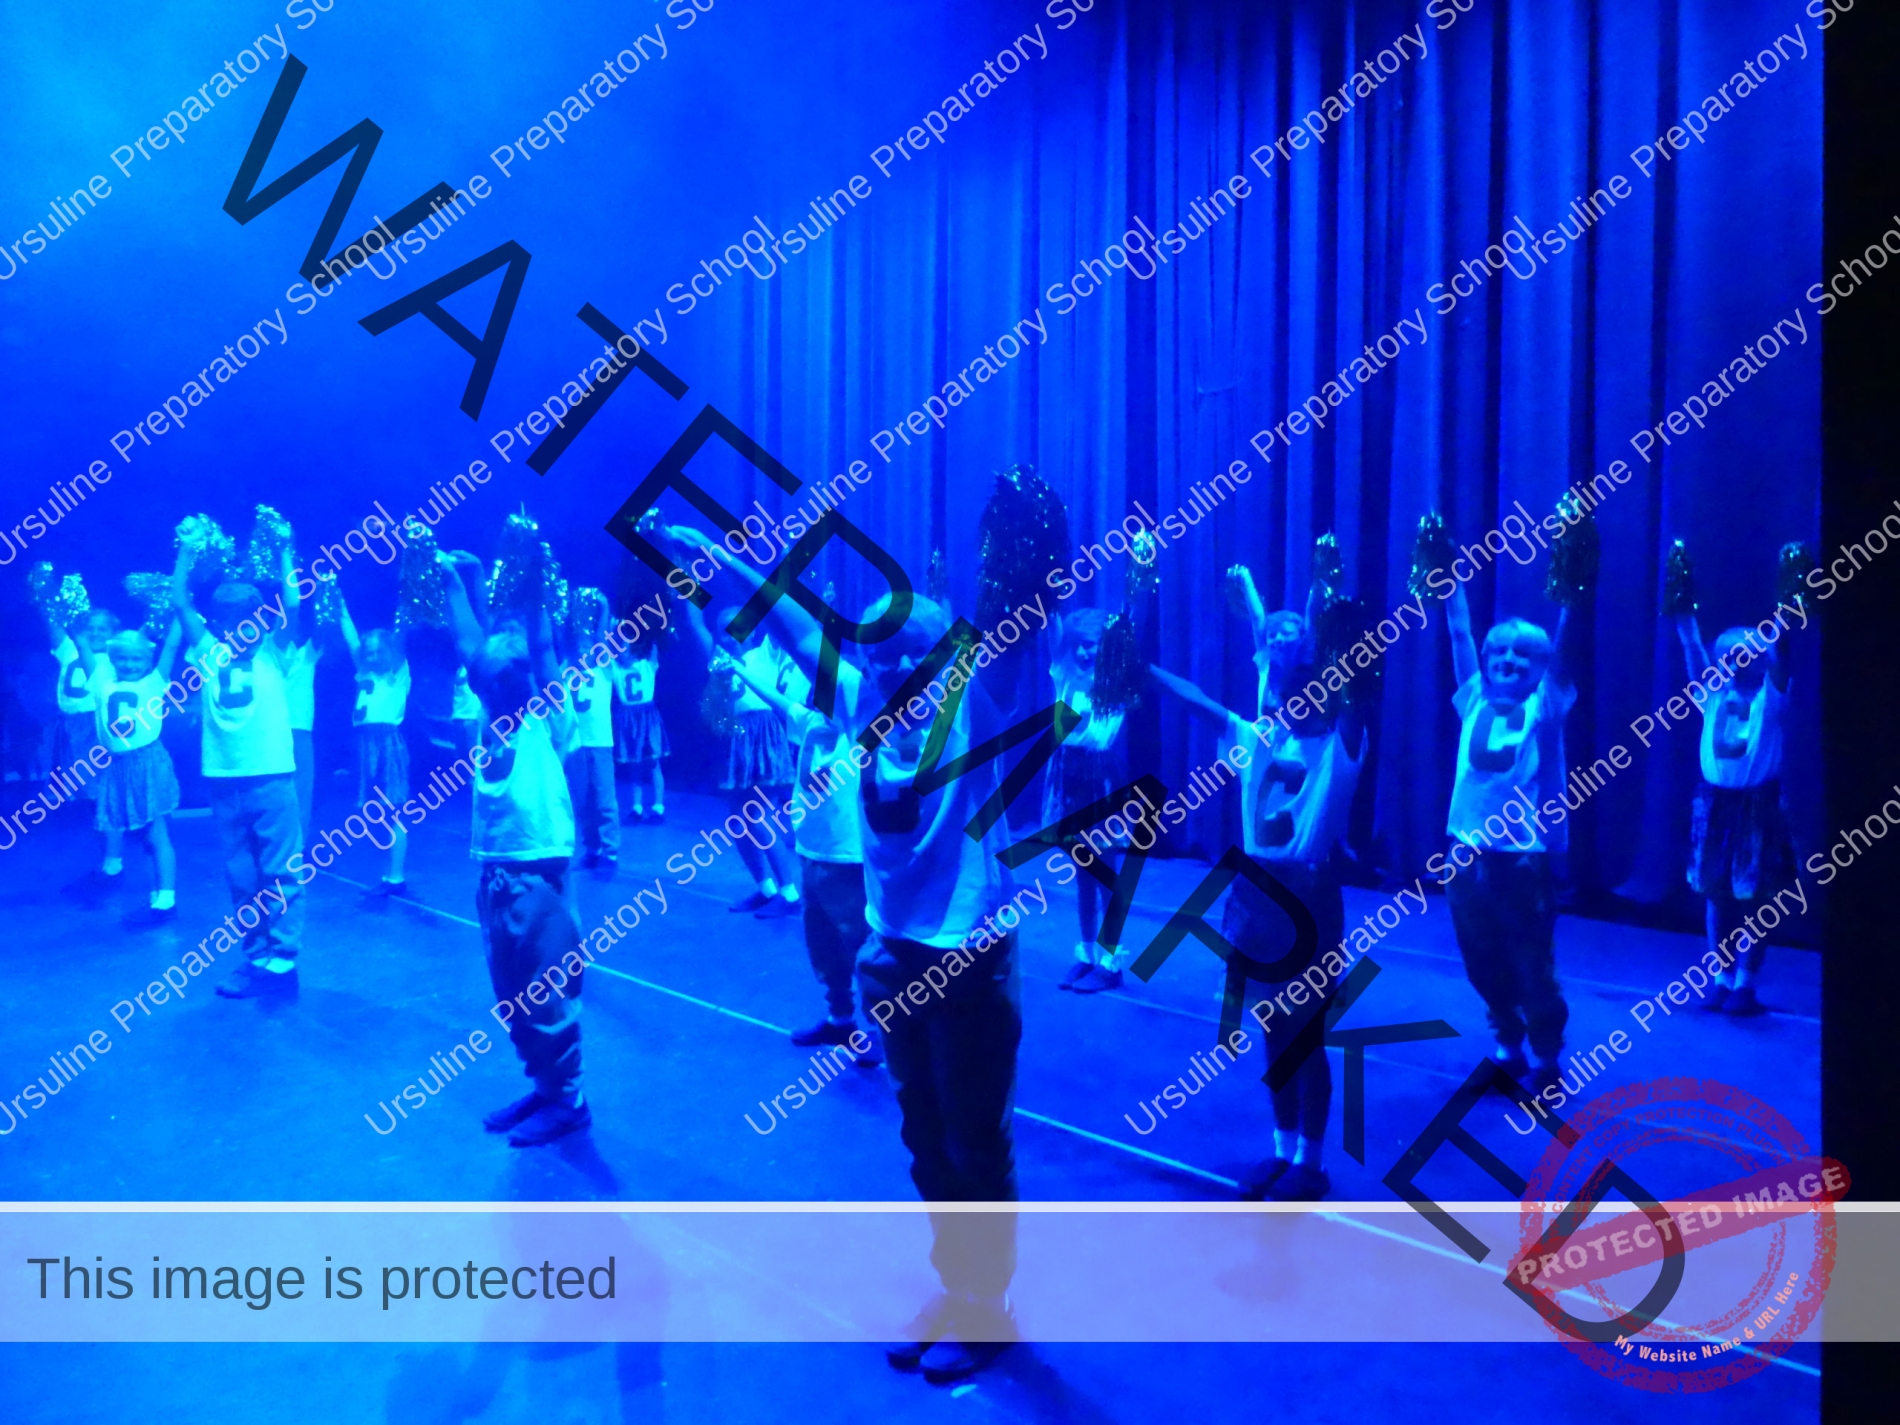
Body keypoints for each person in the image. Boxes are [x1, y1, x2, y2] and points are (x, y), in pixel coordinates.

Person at [657, 525, 1025, 1384]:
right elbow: (791, 625)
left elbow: (1006, 636)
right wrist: (721, 558)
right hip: (892, 954)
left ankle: (989, 1306)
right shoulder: (863, 703)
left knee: (975, 1137)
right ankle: (958, 1285)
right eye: (879, 656)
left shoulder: (972, 709)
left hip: (968, 955)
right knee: (925, 1134)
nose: (891, 669)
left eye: (909, 655)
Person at [1150, 618, 1368, 1202]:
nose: (1299, 705)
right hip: (1255, 897)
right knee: (1272, 1028)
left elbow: (1356, 697)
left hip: (1308, 896)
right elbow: (1197, 703)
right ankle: (1282, 1147)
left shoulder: (1341, 749)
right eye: (1290, 696)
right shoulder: (1258, 737)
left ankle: (1312, 1162)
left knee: (1307, 1034)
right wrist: (1142, 668)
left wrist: (1340, 631)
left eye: (1314, 695)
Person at [439, 549, 591, 1148]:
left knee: (547, 992)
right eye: (492, 678)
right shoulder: (487, 718)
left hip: (538, 881)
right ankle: (546, 1086)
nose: (499, 683)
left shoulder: (545, 718)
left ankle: (570, 1100)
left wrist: (532, 583)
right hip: (495, 879)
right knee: (511, 996)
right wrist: (457, 580)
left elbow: (543, 649)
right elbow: (469, 644)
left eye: (510, 675)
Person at [1441, 582, 1576, 1093]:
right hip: (1465, 853)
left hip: (1519, 857)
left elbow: (1564, 651)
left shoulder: (1546, 705)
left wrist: (1573, 592)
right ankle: (1508, 1047)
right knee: (1480, 956)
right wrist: (1449, 581)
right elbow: (1459, 633)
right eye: (1499, 651)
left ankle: (1546, 1056)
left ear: (1542, 667)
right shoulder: (1473, 695)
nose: (1509, 660)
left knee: (1530, 961)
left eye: (1524, 654)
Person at [721, 646, 878, 1061]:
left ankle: (880, 1029)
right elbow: (773, 697)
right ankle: (840, 1020)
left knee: (861, 946)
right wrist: (738, 667)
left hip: (848, 860)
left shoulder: (863, 731)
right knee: (823, 945)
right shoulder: (808, 723)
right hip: (810, 855)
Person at [169, 544, 305, 1000]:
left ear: (262, 619)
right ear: (219, 623)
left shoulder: (274, 653)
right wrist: (187, 551)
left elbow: (293, 602)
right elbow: (180, 602)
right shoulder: (209, 653)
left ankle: (283, 960)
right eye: (228, 619)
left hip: (271, 776)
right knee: (242, 875)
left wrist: (283, 550)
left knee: (280, 869)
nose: (238, 626)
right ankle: (257, 955)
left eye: (248, 617)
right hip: (224, 780)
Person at [1676, 608, 1797, 1015]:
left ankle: (1745, 981)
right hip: (1714, 805)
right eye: (1728, 655)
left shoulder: (1771, 699)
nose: (1737, 661)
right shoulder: (1712, 697)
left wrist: (1783, 621)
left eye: (1747, 653)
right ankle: (1721, 978)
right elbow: (1693, 651)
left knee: (1757, 896)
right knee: (1717, 894)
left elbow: (1781, 657)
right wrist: (1685, 621)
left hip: (1758, 806)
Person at [681, 597, 804, 917]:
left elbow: (781, 616)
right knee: (738, 820)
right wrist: (686, 581)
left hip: (762, 737)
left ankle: (790, 893)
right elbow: (694, 623)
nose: (730, 635)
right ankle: (766, 888)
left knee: (759, 816)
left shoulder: (765, 653)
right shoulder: (718, 658)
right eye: (724, 630)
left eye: (737, 628)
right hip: (735, 740)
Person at [1042, 609, 1129, 993]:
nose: (1082, 653)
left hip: (1099, 778)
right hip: (1069, 776)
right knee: (1081, 873)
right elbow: (1052, 631)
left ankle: (1111, 961)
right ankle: (1087, 953)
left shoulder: (1112, 682)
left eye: (1090, 645)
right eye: (1077, 646)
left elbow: (1099, 735)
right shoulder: (1063, 675)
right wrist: (1047, 598)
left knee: (1105, 873)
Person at [82, 622, 185, 927]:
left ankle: (166, 898)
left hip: (147, 763)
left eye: (136, 658)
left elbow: (171, 646)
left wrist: (178, 614)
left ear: (148, 661)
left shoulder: (154, 681)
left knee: (156, 833)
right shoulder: (102, 682)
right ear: (112, 659)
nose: (129, 664)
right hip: (117, 766)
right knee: (138, 835)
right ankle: (153, 891)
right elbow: (83, 644)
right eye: (122, 658)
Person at [46, 601, 123, 896]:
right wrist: (45, 592)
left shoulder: (116, 656)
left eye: (102, 629)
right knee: (92, 801)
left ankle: (114, 864)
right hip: (71, 730)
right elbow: (52, 622)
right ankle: (107, 861)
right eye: (91, 628)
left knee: (105, 796)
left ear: (113, 633)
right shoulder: (70, 649)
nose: (95, 633)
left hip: (96, 728)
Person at [338, 592, 412, 896]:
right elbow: (350, 635)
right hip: (365, 745)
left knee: (393, 811)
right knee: (375, 813)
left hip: (387, 743)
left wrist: (409, 602)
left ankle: (396, 877)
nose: (372, 657)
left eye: (379, 651)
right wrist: (340, 602)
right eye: (368, 653)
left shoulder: (398, 674)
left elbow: (401, 639)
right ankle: (388, 873)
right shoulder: (363, 672)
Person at [561, 588, 621, 875]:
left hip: (599, 741)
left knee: (604, 798)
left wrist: (604, 609)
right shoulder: (565, 669)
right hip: (575, 743)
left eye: (589, 644)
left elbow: (601, 641)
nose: (584, 648)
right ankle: (592, 847)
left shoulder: (604, 668)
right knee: (581, 799)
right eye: (580, 644)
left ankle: (610, 850)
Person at [612, 634, 668, 824]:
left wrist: (650, 628)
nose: (625, 651)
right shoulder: (616, 668)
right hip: (628, 718)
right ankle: (637, 806)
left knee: (653, 763)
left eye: (628, 647)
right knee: (634, 764)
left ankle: (658, 806)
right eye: (621, 648)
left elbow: (654, 646)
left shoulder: (646, 665)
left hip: (647, 717)